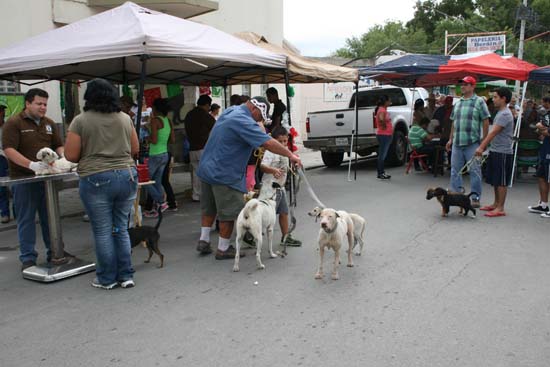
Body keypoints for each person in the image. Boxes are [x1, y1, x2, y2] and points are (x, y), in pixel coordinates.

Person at [195, 96, 302, 260]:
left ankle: (204, 240)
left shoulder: (231, 111)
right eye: (260, 117)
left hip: (207, 167)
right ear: (254, 109)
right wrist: (291, 155)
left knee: (209, 207)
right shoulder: (243, 120)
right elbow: (267, 142)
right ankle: (223, 248)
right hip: (225, 173)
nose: (259, 121)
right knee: (229, 212)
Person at [64, 78, 139, 289]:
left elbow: (70, 155)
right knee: (121, 229)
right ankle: (126, 275)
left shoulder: (80, 120)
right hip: (126, 175)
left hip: (96, 177)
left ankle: (107, 278)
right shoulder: (125, 118)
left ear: (89, 96)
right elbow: (134, 148)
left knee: (103, 231)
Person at [2, 89, 64, 270]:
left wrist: (63, 159)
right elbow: (9, 149)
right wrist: (31, 165)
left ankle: (54, 252)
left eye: (45, 104)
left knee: (50, 218)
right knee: (26, 219)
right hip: (24, 179)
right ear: (28, 103)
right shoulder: (14, 123)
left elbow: (58, 145)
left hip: (48, 180)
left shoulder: (49, 123)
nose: (43, 107)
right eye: (39, 103)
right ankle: (28, 258)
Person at [445, 76, 490, 208]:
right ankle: (455, 195)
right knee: (455, 170)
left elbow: (486, 120)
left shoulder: (479, 101)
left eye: (465, 84)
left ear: (472, 86)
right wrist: (450, 139)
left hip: (472, 143)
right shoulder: (458, 103)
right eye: (462, 84)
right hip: (457, 143)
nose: (462, 86)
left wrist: (484, 141)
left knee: (474, 171)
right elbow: (454, 122)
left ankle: (475, 197)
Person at [475, 87, 514, 217]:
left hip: (503, 152)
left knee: (501, 181)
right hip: (496, 150)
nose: (493, 99)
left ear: (503, 99)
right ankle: (496, 203)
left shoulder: (505, 114)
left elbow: (493, 132)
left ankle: (501, 208)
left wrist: (482, 147)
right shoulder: (500, 112)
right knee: (496, 179)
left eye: (496, 97)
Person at [259, 126, 301, 247]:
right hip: (269, 188)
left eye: (285, 141)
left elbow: (285, 165)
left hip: (280, 188)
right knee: (265, 215)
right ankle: (250, 235)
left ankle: (286, 236)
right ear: (273, 140)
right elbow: (262, 166)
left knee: (283, 212)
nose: (283, 144)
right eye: (280, 141)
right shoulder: (270, 152)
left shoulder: (285, 151)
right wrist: (273, 170)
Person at [143, 98, 174, 218]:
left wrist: (146, 138)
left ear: (155, 109)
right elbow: (172, 140)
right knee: (157, 181)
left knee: (145, 180)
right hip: (164, 154)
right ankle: (160, 204)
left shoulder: (155, 121)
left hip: (154, 154)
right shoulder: (168, 121)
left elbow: (154, 140)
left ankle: (161, 202)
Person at [184, 95, 216, 202]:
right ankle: (204, 195)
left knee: (195, 173)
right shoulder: (205, 116)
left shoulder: (189, 114)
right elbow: (216, 128)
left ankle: (196, 194)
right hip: (204, 148)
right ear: (207, 105)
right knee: (205, 172)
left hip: (192, 147)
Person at [528, 96, 550, 217]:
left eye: (544, 102)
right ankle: (543, 205)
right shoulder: (546, 114)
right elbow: (540, 130)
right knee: (541, 177)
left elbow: (546, 131)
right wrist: (541, 129)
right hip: (544, 150)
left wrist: (541, 129)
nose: (542, 105)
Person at [374, 95, 393, 180]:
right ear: (385, 102)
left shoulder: (382, 109)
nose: (390, 102)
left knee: (382, 154)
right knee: (382, 155)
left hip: (385, 134)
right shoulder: (382, 109)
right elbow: (381, 119)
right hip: (384, 135)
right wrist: (384, 125)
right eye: (389, 101)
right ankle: (380, 173)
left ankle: (382, 172)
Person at [0, 96, 10, 223]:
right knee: (2, 187)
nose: (2, 116)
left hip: (9, 157)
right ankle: (4, 212)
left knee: (14, 185)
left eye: (3, 114)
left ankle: (17, 211)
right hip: (1, 158)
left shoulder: (8, 126)